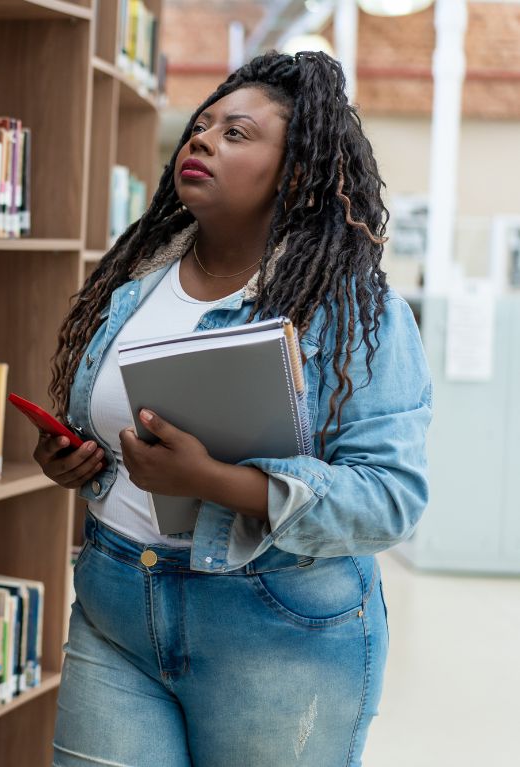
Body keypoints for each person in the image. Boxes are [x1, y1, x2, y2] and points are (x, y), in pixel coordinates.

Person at [37, 51, 432, 766]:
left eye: (238, 133)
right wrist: (77, 461)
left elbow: (389, 500)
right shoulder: (134, 293)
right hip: (116, 602)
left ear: (296, 172)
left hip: (281, 625)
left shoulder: (359, 314)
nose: (203, 140)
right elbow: (116, 447)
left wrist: (214, 480)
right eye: (201, 126)